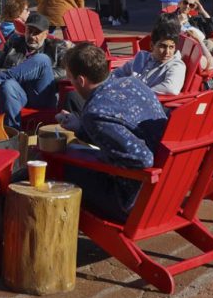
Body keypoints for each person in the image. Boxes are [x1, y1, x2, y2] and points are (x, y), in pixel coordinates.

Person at [54, 43, 168, 223]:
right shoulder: (134, 83)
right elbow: (122, 129)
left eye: (71, 79)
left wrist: (106, 159)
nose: (72, 84)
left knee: (57, 166)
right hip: (165, 189)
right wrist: (81, 127)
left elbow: (143, 159)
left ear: (81, 80)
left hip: (132, 200)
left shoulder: (95, 112)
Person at [0, 13, 68, 127]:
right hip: (18, 93)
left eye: (36, 33)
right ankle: (13, 132)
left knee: (42, 60)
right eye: (29, 31)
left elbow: (65, 72)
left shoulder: (56, 47)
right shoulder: (14, 43)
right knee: (8, 85)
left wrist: (34, 71)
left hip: (41, 94)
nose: (31, 36)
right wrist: (18, 72)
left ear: (46, 34)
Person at [110, 16, 186, 95]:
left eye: (171, 47)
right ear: (152, 46)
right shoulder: (142, 57)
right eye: (162, 46)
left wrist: (138, 93)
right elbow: (118, 73)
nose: (167, 52)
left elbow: (171, 88)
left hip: (144, 102)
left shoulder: (176, 65)